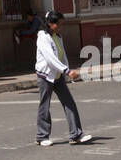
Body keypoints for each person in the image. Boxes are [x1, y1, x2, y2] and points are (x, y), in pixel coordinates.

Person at [35, 11, 92, 146]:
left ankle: (76, 134)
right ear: (49, 23)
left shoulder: (57, 36)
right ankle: (41, 136)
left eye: (62, 24)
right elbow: (50, 58)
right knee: (45, 105)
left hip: (58, 75)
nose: (61, 27)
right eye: (58, 24)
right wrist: (66, 70)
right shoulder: (43, 37)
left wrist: (67, 69)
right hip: (46, 75)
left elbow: (62, 55)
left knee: (69, 103)